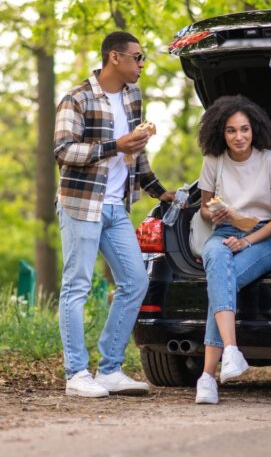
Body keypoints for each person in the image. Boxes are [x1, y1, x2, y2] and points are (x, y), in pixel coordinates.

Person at [54, 31, 174, 398]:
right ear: (114, 58)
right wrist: (113, 146)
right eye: (138, 57)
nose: (142, 64)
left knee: (136, 281)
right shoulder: (77, 98)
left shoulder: (132, 96)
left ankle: (108, 369)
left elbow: (136, 152)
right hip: (81, 204)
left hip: (116, 207)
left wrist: (158, 190)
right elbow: (62, 151)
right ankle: (76, 373)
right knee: (77, 286)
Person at [195, 95, 271, 404]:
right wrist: (215, 213)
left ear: (254, 129)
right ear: (221, 132)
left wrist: (247, 240)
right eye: (232, 131)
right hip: (222, 231)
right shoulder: (213, 161)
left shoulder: (270, 161)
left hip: (262, 238)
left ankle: (208, 376)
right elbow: (204, 209)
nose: (239, 137)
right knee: (217, 260)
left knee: (220, 281)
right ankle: (231, 353)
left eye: (244, 129)